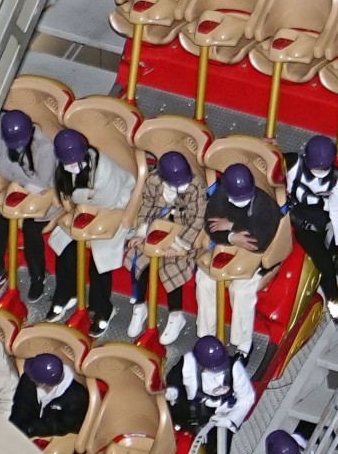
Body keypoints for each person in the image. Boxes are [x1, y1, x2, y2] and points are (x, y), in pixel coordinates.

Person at [48, 128, 135, 338]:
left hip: (114, 207)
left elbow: (108, 200)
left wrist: (80, 196)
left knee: (100, 259)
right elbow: (67, 193)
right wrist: (84, 196)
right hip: (87, 209)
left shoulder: (103, 169)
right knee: (66, 250)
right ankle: (65, 293)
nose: (69, 165)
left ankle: (102, 308)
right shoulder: (64, 166)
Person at [195, 163, 281, 366]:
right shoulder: (221, 195)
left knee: (241, 290)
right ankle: (206, 336)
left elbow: (258, 240)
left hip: (257, 258)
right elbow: (211, 225)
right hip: (227, 248)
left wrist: (232, 226)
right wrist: (233, 237)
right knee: (205, 279)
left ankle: (243, 345)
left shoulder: (265, 204)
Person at [165, 336, 255, 454]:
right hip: (192, 413)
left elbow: (246, 398)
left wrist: (229, 421)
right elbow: (174, 376)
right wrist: (172, 390)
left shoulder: (234, 368)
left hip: (221, 418)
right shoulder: (188, 363)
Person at [124, 151, 206, 345]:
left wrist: (179, 245)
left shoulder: (196, 187)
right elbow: (146, 207)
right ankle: (139, 305)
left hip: (182, 234)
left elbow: (197, 220)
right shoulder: (153, 182)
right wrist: (142, 233)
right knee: (138, 256)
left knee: (172, 265)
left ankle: (176, 315)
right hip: (157, 227)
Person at [0, 110, 57, 300]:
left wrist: (22, 178)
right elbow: (4, 169)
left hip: (47, 195)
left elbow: (44, 182)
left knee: (31, 228)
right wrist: (27, 181)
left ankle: (38, 276)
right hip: (24, 188)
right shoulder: (8, 141)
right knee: (0, 217)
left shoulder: (45, 148)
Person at [285, 135, 338, 319]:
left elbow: (337, 210)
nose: (319, 171)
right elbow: (271, 160)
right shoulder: (294, 163)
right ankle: (334, 300)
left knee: (333, 258)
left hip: (318, 222)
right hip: (295, 218)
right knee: (326, 264)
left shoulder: (336, 177)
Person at [9, 352, 89, 438]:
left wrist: (31, 429)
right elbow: (20, 406)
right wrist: (13, 429)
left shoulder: (77, 397)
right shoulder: (29, 378)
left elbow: (64, 426)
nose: (30, 379)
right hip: (28, 430)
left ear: (43, 384)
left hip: (57, 437)